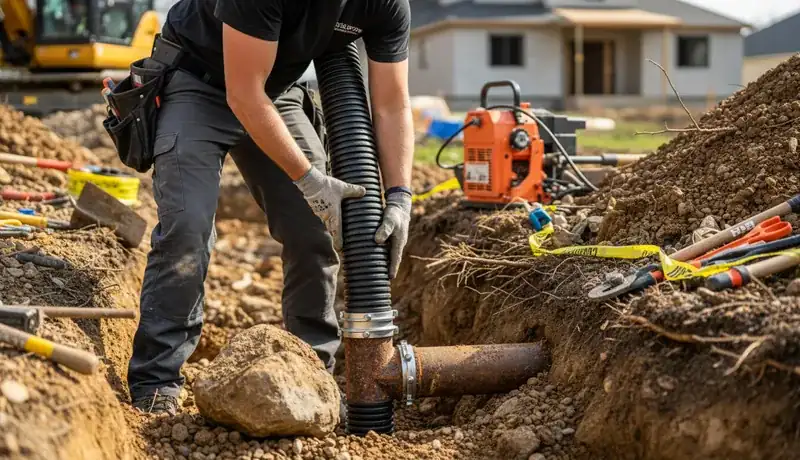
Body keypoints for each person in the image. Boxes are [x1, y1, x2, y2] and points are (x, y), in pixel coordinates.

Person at [127, 0, 414, 416]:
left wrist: (401, 196)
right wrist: (310, 180)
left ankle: (312, 372)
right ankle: (156, 382)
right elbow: (243, 94)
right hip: (198, 82)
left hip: (276, 91)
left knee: (315, 229)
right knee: (187, 230)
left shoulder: (386, 4)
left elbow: (391, 104)